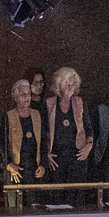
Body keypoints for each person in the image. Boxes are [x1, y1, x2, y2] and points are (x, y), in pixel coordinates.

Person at [43, 67, 92, 202]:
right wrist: (46, 154)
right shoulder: (49, 103)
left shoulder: (80, 102)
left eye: (73, 84)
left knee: (76, 199)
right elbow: (42, 132)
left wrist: (89, 146)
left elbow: (89, 128)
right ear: (59, 85)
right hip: (57, 159)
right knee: (58, 200)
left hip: (78, 156)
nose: (71, 87)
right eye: (67, 84)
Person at [2, 79, 43, 208]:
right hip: (16, 167)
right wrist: (9, 164)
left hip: (33, 167)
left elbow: (44, 142)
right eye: (23, 95)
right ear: (16, 97)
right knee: (16, 206)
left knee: (34, 205)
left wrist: (43, 165)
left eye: (29, 94)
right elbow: (2, 142)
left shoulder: (37, 115)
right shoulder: (8, 116)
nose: (27, 98)